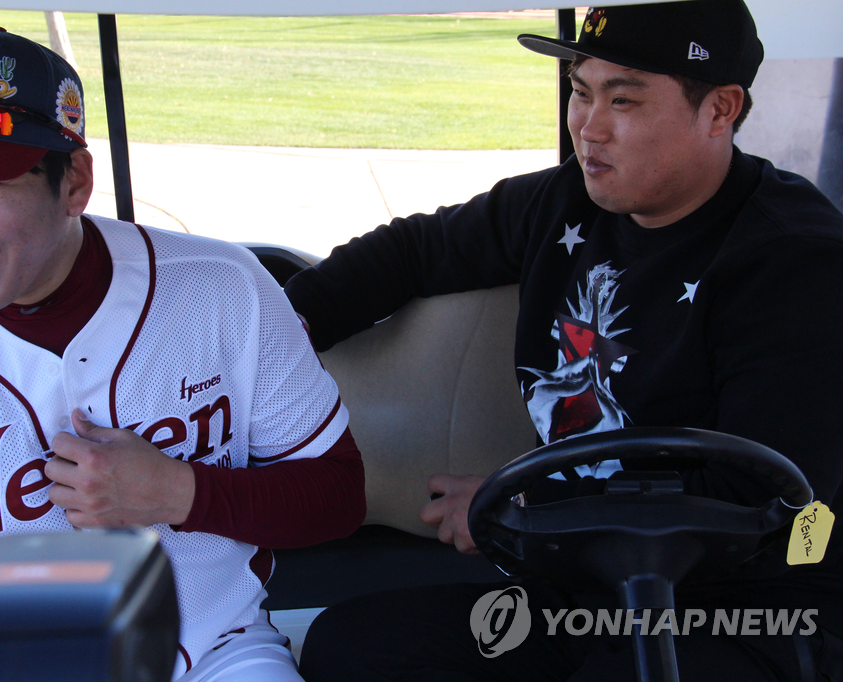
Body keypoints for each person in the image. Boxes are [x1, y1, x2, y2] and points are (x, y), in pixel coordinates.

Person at [285, 1, 842, 680]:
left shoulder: (795, 262)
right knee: (352, 645)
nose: (588, 127)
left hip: (744, 613)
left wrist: (526, 505)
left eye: (624, 100)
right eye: (581, 92)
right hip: (579, 591)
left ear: (720, 110)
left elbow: (758, 497)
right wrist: (281, 334)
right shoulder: (563, 204)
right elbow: (414, 250)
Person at [0, 28, 365, 682]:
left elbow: (337, 498)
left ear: (75, 182)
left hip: (214, 652)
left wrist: (178, 490)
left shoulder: (224, 288)